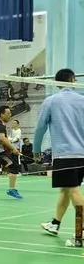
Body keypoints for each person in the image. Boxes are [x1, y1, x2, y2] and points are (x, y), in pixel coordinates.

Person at [33, 69, 84, 239]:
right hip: (82, 155)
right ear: (73, 80)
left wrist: (36, 150)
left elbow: (40, 128)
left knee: (73, 191)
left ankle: (82, 229)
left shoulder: (51, 101)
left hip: (65, 156)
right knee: (66, 189)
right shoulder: (83, 100)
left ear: (55, 82)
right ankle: (55, 223)